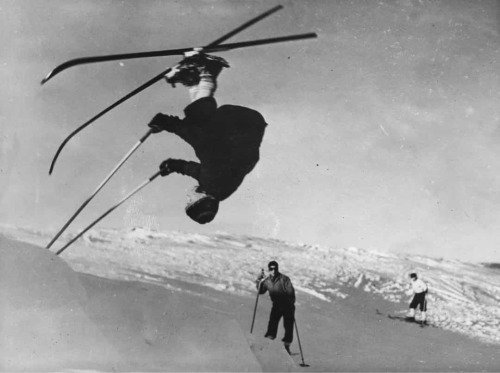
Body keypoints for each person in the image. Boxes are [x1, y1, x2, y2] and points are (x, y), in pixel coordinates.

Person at [147, 53, 268, 224]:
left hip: (245, 127)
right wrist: (168, 123)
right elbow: (201, 140)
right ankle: (207, 71)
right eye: (191, 200)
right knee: (198, 122)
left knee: (197, 118)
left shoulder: (217, 188)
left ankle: (194, 81)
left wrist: (175, 165)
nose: (188, 196)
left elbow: (197, 170)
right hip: (242, 125)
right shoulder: (214, 181)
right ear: (201, 199)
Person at [256, 260, 296, 354]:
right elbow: (261, 291)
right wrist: (259, 281)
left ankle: (287, 347)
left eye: (275, 268)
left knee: (288, 326)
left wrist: (290, 302)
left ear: (277, 269)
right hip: (276, 305)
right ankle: (268, 345)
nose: (273, 271)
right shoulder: (267, 280)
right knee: (272, 325)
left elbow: (291, 292)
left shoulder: (284, 279)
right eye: (271, 269)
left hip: (288, 305)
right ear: (269, 269)